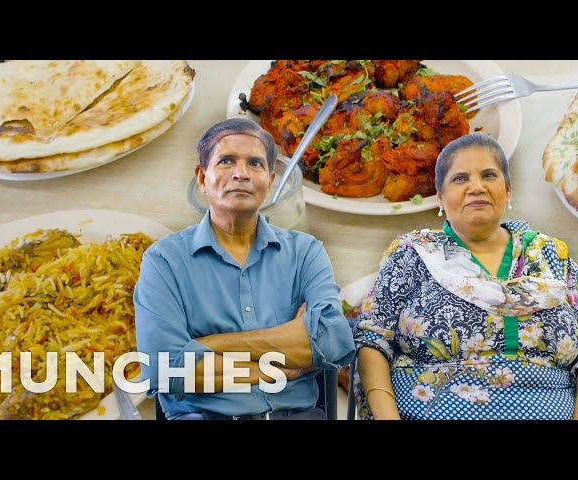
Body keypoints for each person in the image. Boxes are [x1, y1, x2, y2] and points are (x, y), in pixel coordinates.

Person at [134, 117, 355, 420]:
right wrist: (283, 365)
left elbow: (331, 342)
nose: (241, 174)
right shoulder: (164, 261)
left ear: (271, 180)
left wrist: (204, 346)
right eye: (226, 161)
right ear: (202, 178)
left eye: (255, 163)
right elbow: (164, 369)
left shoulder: (306, 252)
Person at [353, 132, 578, 420]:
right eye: (460, 178)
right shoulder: (413, 254)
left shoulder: (551, 255)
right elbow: (373, 340)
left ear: (508, 191)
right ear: (440, 198)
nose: (476, 187)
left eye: (489, 175)